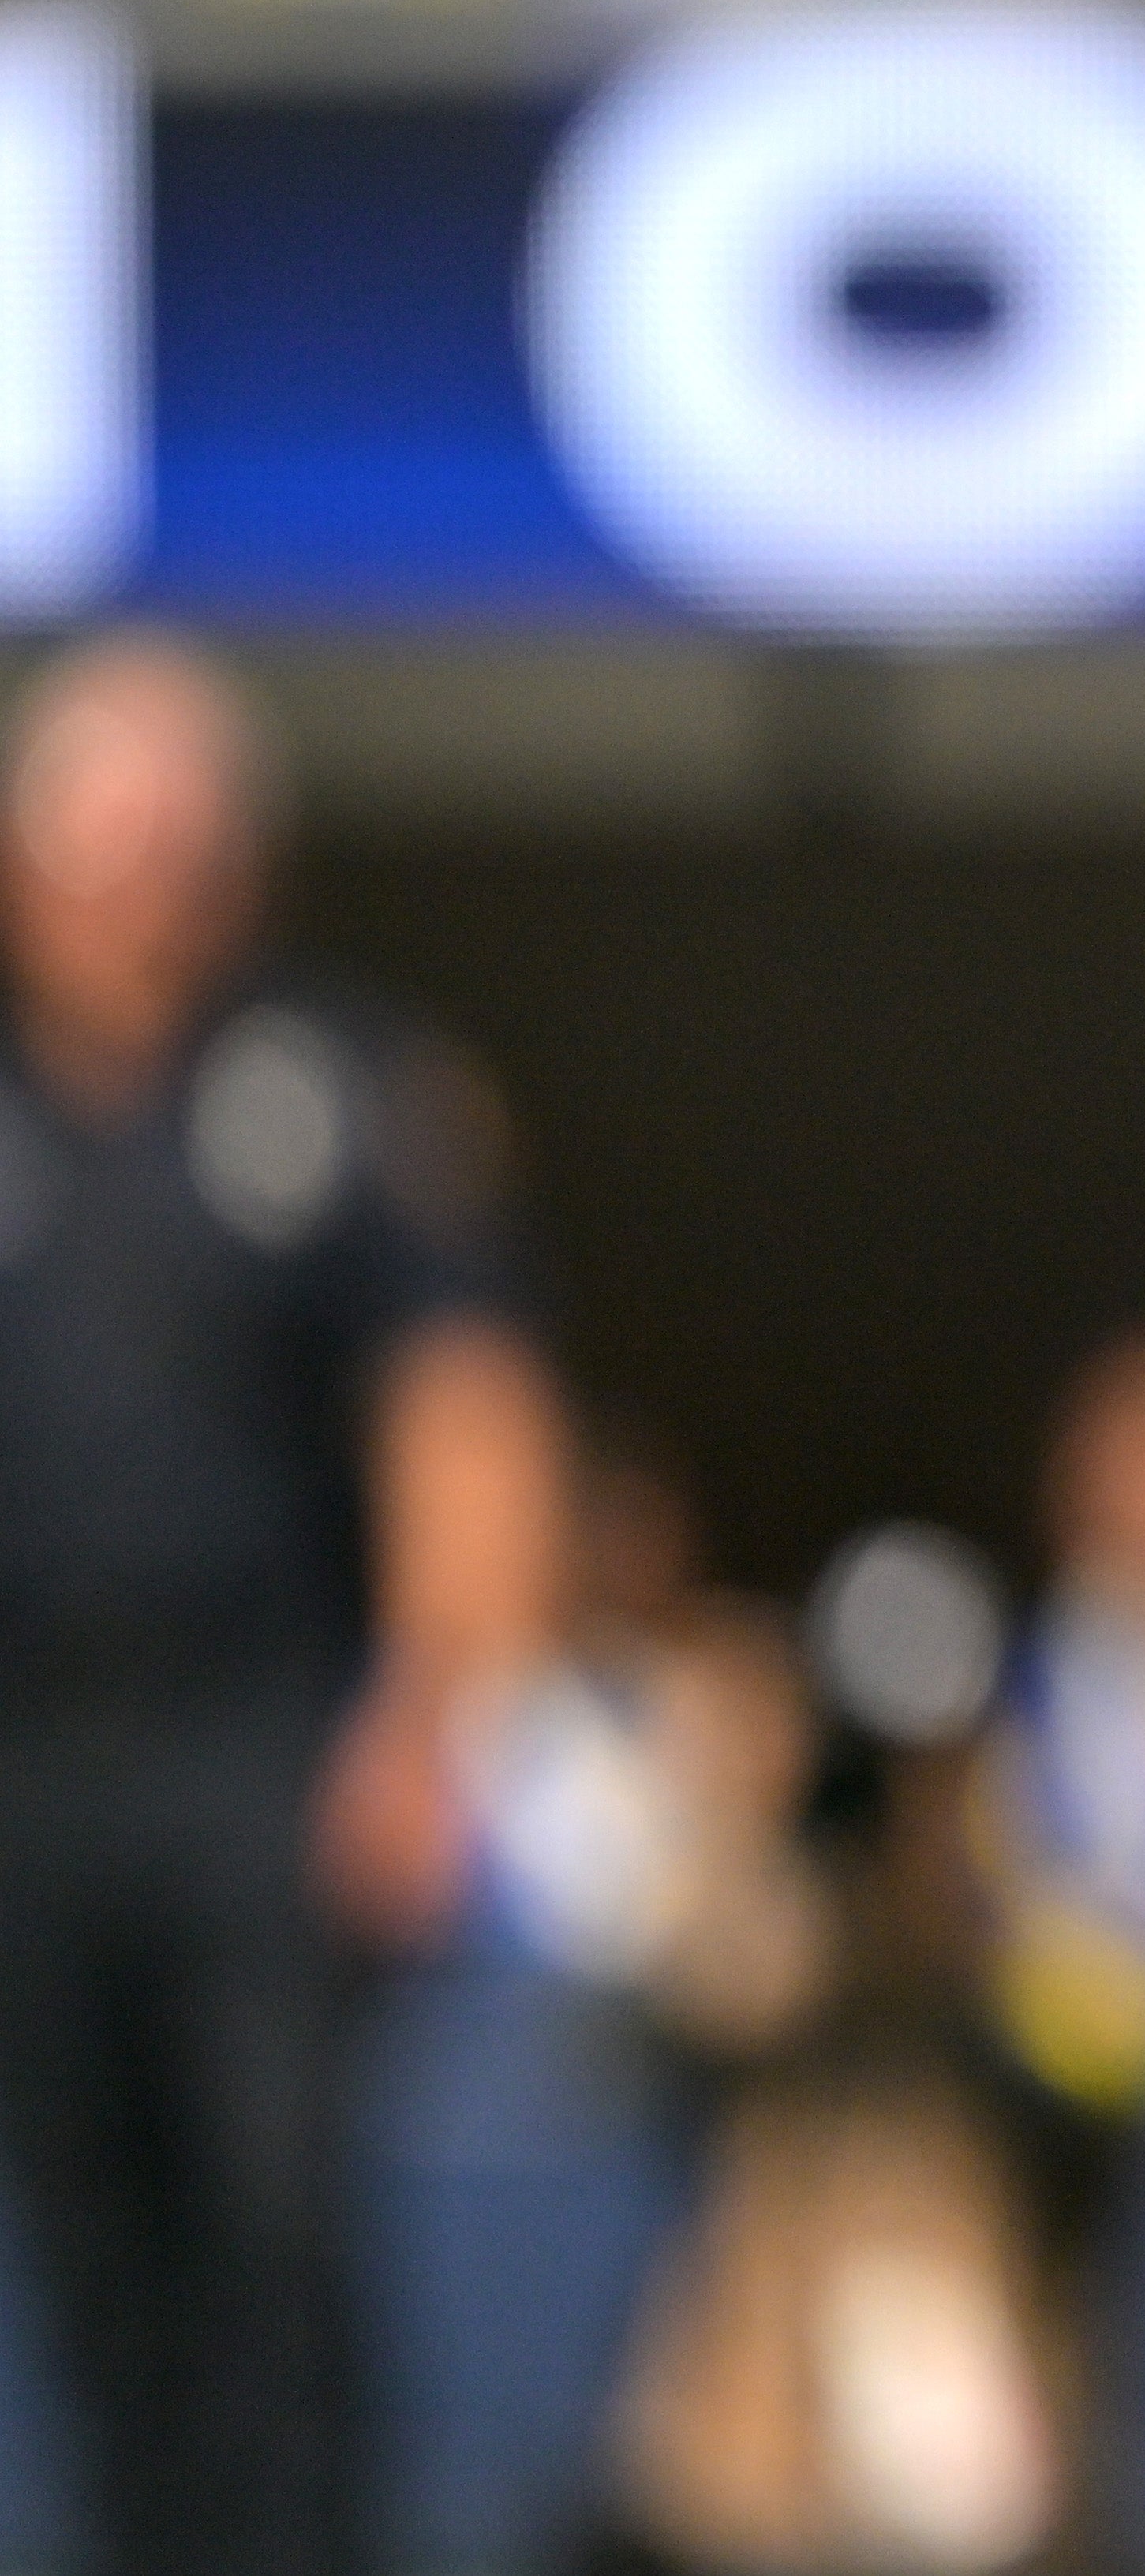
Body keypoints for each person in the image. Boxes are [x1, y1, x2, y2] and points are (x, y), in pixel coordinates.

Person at [0, 632, 570, 2576]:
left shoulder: (326, 1084)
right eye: (95, 839)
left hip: (253, 1738)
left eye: (176, 836)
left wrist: (426, 1719)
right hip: (27, 1749)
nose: (136, 882)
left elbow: (463, 1410)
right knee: (92, 2254)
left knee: (276, 2239)